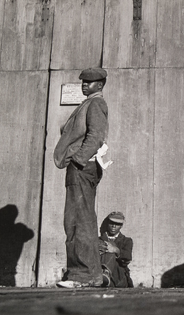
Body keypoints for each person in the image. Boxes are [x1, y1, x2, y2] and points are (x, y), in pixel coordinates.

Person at [54, 68, 109, 288]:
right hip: (82, 167)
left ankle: (81, 276)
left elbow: (96, 135)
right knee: (80, 219)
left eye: (90, 82)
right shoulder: (89, 103)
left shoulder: (95, 104)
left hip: (82, 167)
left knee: (78, 221)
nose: (85, 84)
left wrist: (78, 159)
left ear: (100, 85)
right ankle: (92, 275)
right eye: (83, 82)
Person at [99, 212, 134, 288]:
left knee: (111, 248)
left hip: (118, 277)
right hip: (98, 274)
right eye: (111, 223)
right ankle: (104, 274)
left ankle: (106, 273)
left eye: (117, 224)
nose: (113, 226)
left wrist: (116, 250)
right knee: (107, 247)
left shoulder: (127, 241)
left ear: (121, 226)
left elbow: (127, 257)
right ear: (108, 223)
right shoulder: (98, 240)